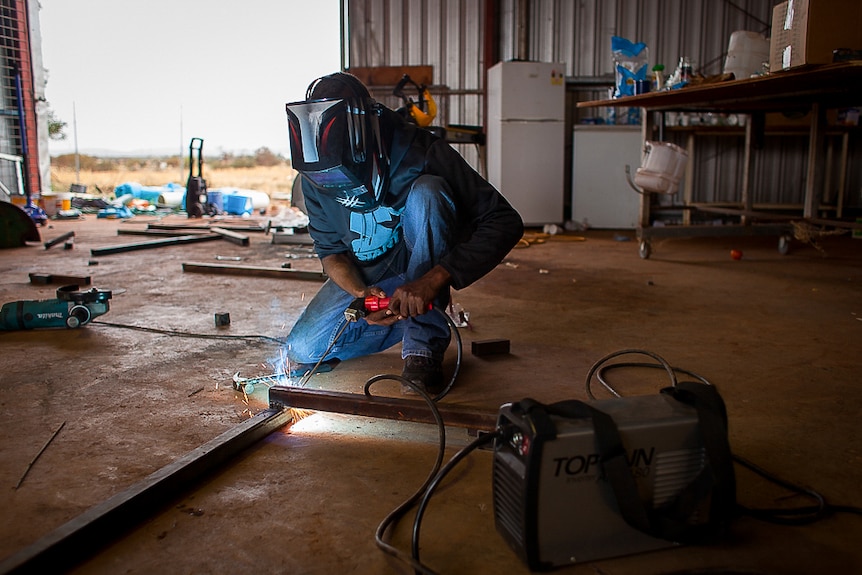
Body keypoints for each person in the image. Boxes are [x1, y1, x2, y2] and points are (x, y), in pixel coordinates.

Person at [283, 72, 524, 395]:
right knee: (303, 349)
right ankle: (409, 312)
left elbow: (504, 220)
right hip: (372, 273)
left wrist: (433, 279)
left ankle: (423, 344)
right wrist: (362, 293)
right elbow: (331, 255)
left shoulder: (420, 152)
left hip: (423, 260)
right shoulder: (313, 179)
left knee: (428, 192)